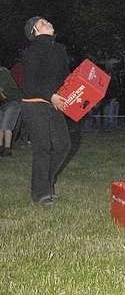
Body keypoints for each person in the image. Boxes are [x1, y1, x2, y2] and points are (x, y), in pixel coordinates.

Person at [21, 16, 71, 206]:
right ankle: (40, 193)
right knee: (42, 148)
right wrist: (50, 95)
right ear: (35, 31)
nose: (48, 22)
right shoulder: (32, 51)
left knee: (63, 145)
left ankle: (44, 182)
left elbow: (64, 78)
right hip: (34, 104)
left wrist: (78, 95)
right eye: (42, 22)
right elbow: (31, 82)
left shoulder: (59, 49)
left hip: (53, 102)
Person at [0, 65, 22, 157]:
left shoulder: (3, 72)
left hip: (14, 101)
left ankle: (7, 150)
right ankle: (1, 147)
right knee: (1, 125)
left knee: (7, 126)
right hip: (4, 102)